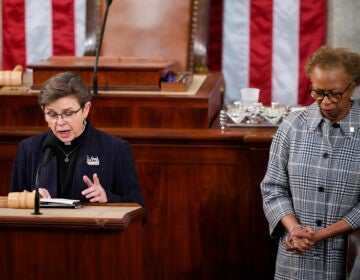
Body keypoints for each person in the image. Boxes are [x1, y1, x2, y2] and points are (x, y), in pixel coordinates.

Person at [261, 46, 360, 279]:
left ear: (352, 87)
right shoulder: (292, 125)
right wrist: (295, 229)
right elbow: (273, 188)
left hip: (347, 261)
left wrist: (321, 235)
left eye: (334, 93)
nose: (325, 102)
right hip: (295, 256)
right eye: (317, 93)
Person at [10, 71, 145, 206]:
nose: (60, 122)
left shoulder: (115, 149)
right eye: (52, 114)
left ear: (85, 109)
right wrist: (28, 200)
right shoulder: (28, 149)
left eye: (68, 113)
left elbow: (137, 207)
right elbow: (12, 205)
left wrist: (107, 198)